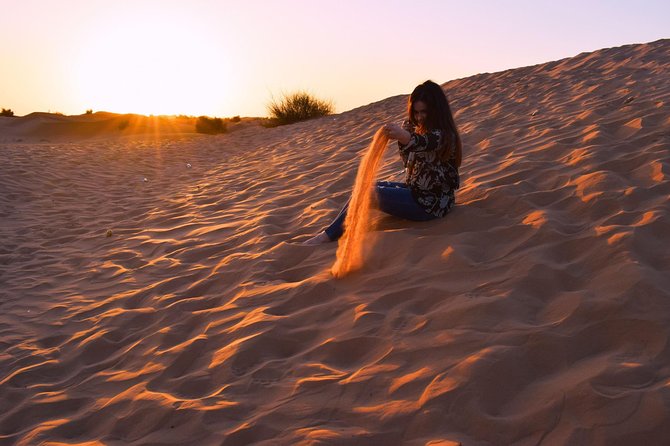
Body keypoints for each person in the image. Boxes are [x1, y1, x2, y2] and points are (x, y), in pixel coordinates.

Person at [303, 80, 462, 245]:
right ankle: (338, 229)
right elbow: (409, 163)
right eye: (416, 112)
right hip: (418, 193)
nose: (419, 117)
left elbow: (423, 142)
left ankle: (327, 236)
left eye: (424, 112)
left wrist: (405, 137)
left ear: (437, 111)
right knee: (365, 187)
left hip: (431, 205)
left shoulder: (443, 135)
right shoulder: (423, 131)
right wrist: (404, 140)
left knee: (370, 193)